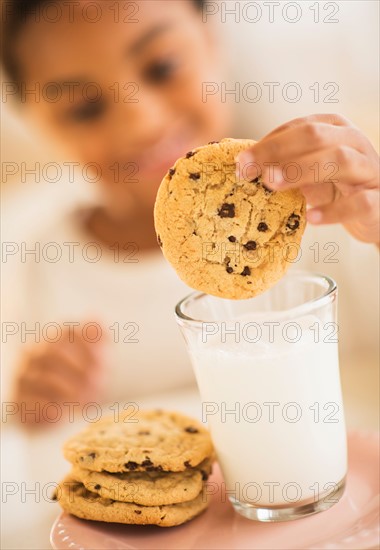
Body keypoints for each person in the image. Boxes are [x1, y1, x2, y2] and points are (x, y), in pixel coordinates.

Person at [1, 0, 379, 426]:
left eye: (162, 67)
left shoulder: (328, 208)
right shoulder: (41, 267)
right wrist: (38, 407)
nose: (141, 121)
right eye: (86, 108)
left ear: (212, 38)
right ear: (37, 125)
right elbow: (35, 437)